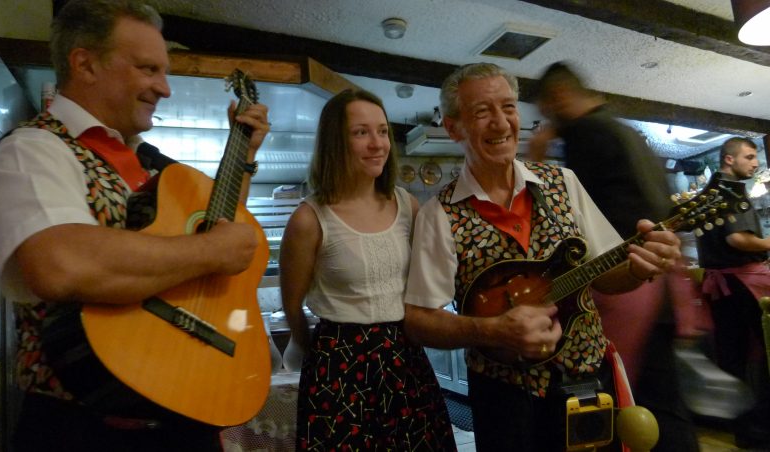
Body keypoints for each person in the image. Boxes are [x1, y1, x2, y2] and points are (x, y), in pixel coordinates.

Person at [0, 1, 270, 451]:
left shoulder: (152, 166)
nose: (164, 88)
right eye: (148, 69)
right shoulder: (32, 151)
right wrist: (212, 252)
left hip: (184, 423)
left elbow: (218, 232)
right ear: (85, 64)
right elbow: (61, 264)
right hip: (84, 428)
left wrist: (242, 158)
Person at [403, 62, 682, 452]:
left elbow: (606, 276)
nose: (501, 124)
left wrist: (638, 268)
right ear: (453, 128)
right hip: (503, 399)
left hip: (585, 386)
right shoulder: (439, 214)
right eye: (482, 112)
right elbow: (418, 320)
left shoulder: (563, 183)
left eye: (509, 107)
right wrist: (491, 331)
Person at [529, 61, 700, 452]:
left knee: (620, 404)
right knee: (661, 404)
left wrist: (537, 159)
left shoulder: (585, 134)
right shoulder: (628, 132)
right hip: (658, 284)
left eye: (546, 111)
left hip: (624, 285)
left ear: (557, 98)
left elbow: (567, 221)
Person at [279, 88, 456, 451]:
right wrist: (313, 349)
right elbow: (293, 305)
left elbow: (430, 279)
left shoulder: (407, 205)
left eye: (382, 131)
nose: (377, 144)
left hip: (405, 357)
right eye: (361, 132)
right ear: (334, 143)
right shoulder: (309, 219)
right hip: (337, 364)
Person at [696, 137, 770, 450]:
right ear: (729, 159)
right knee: (765, 354)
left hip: (723, 287)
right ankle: (760, 429)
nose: (756, 164)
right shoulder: (729, 190)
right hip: (741, 283)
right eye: (750, 157)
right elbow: (738, 240)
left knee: (733, 358)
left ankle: (746, 431)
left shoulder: (708, 193)